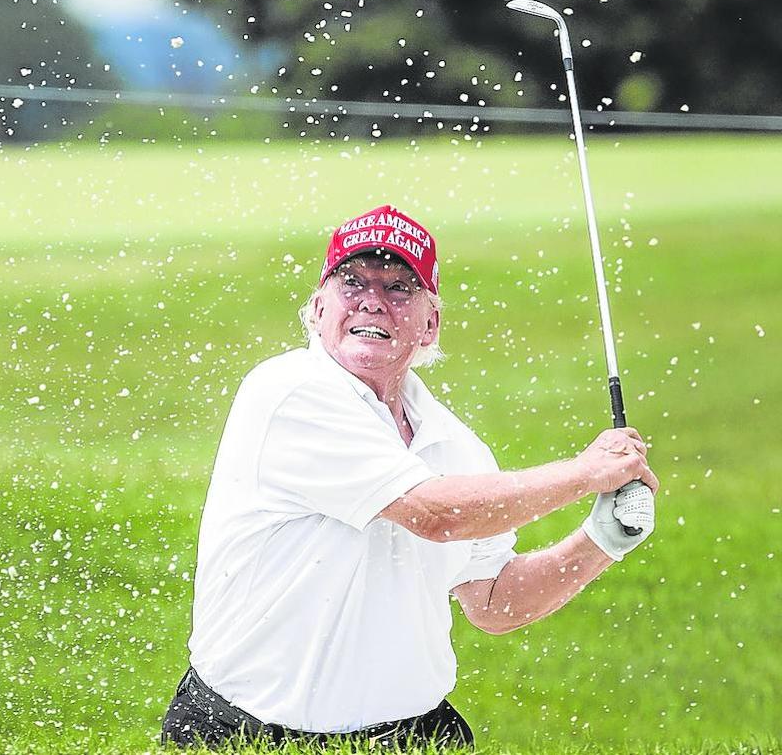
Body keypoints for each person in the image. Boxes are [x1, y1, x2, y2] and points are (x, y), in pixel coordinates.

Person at [160, 205, 658, 750]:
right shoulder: (288, 392)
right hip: (250, 734)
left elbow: (494, 602)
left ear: (430, 325)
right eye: (352, 282)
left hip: (410, 737)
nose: (372, 300)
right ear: (319, 309)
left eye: (399, 288)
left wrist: (603, 540)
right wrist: (585, 473)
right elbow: (435, 514)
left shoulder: (456, 446)